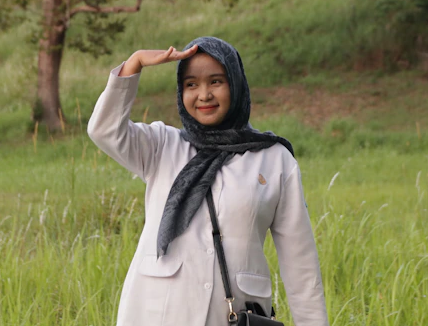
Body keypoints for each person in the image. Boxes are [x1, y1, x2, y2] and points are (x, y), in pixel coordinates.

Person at [87, 36, 329, 326]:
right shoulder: (162, 146)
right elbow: (104, 130)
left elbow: (301, 264)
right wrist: (134, 63)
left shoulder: (275, 159)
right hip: (160, 313)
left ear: (235, 84)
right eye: (191, 84)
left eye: (216, 81)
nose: (204, 95)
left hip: (233, 315)